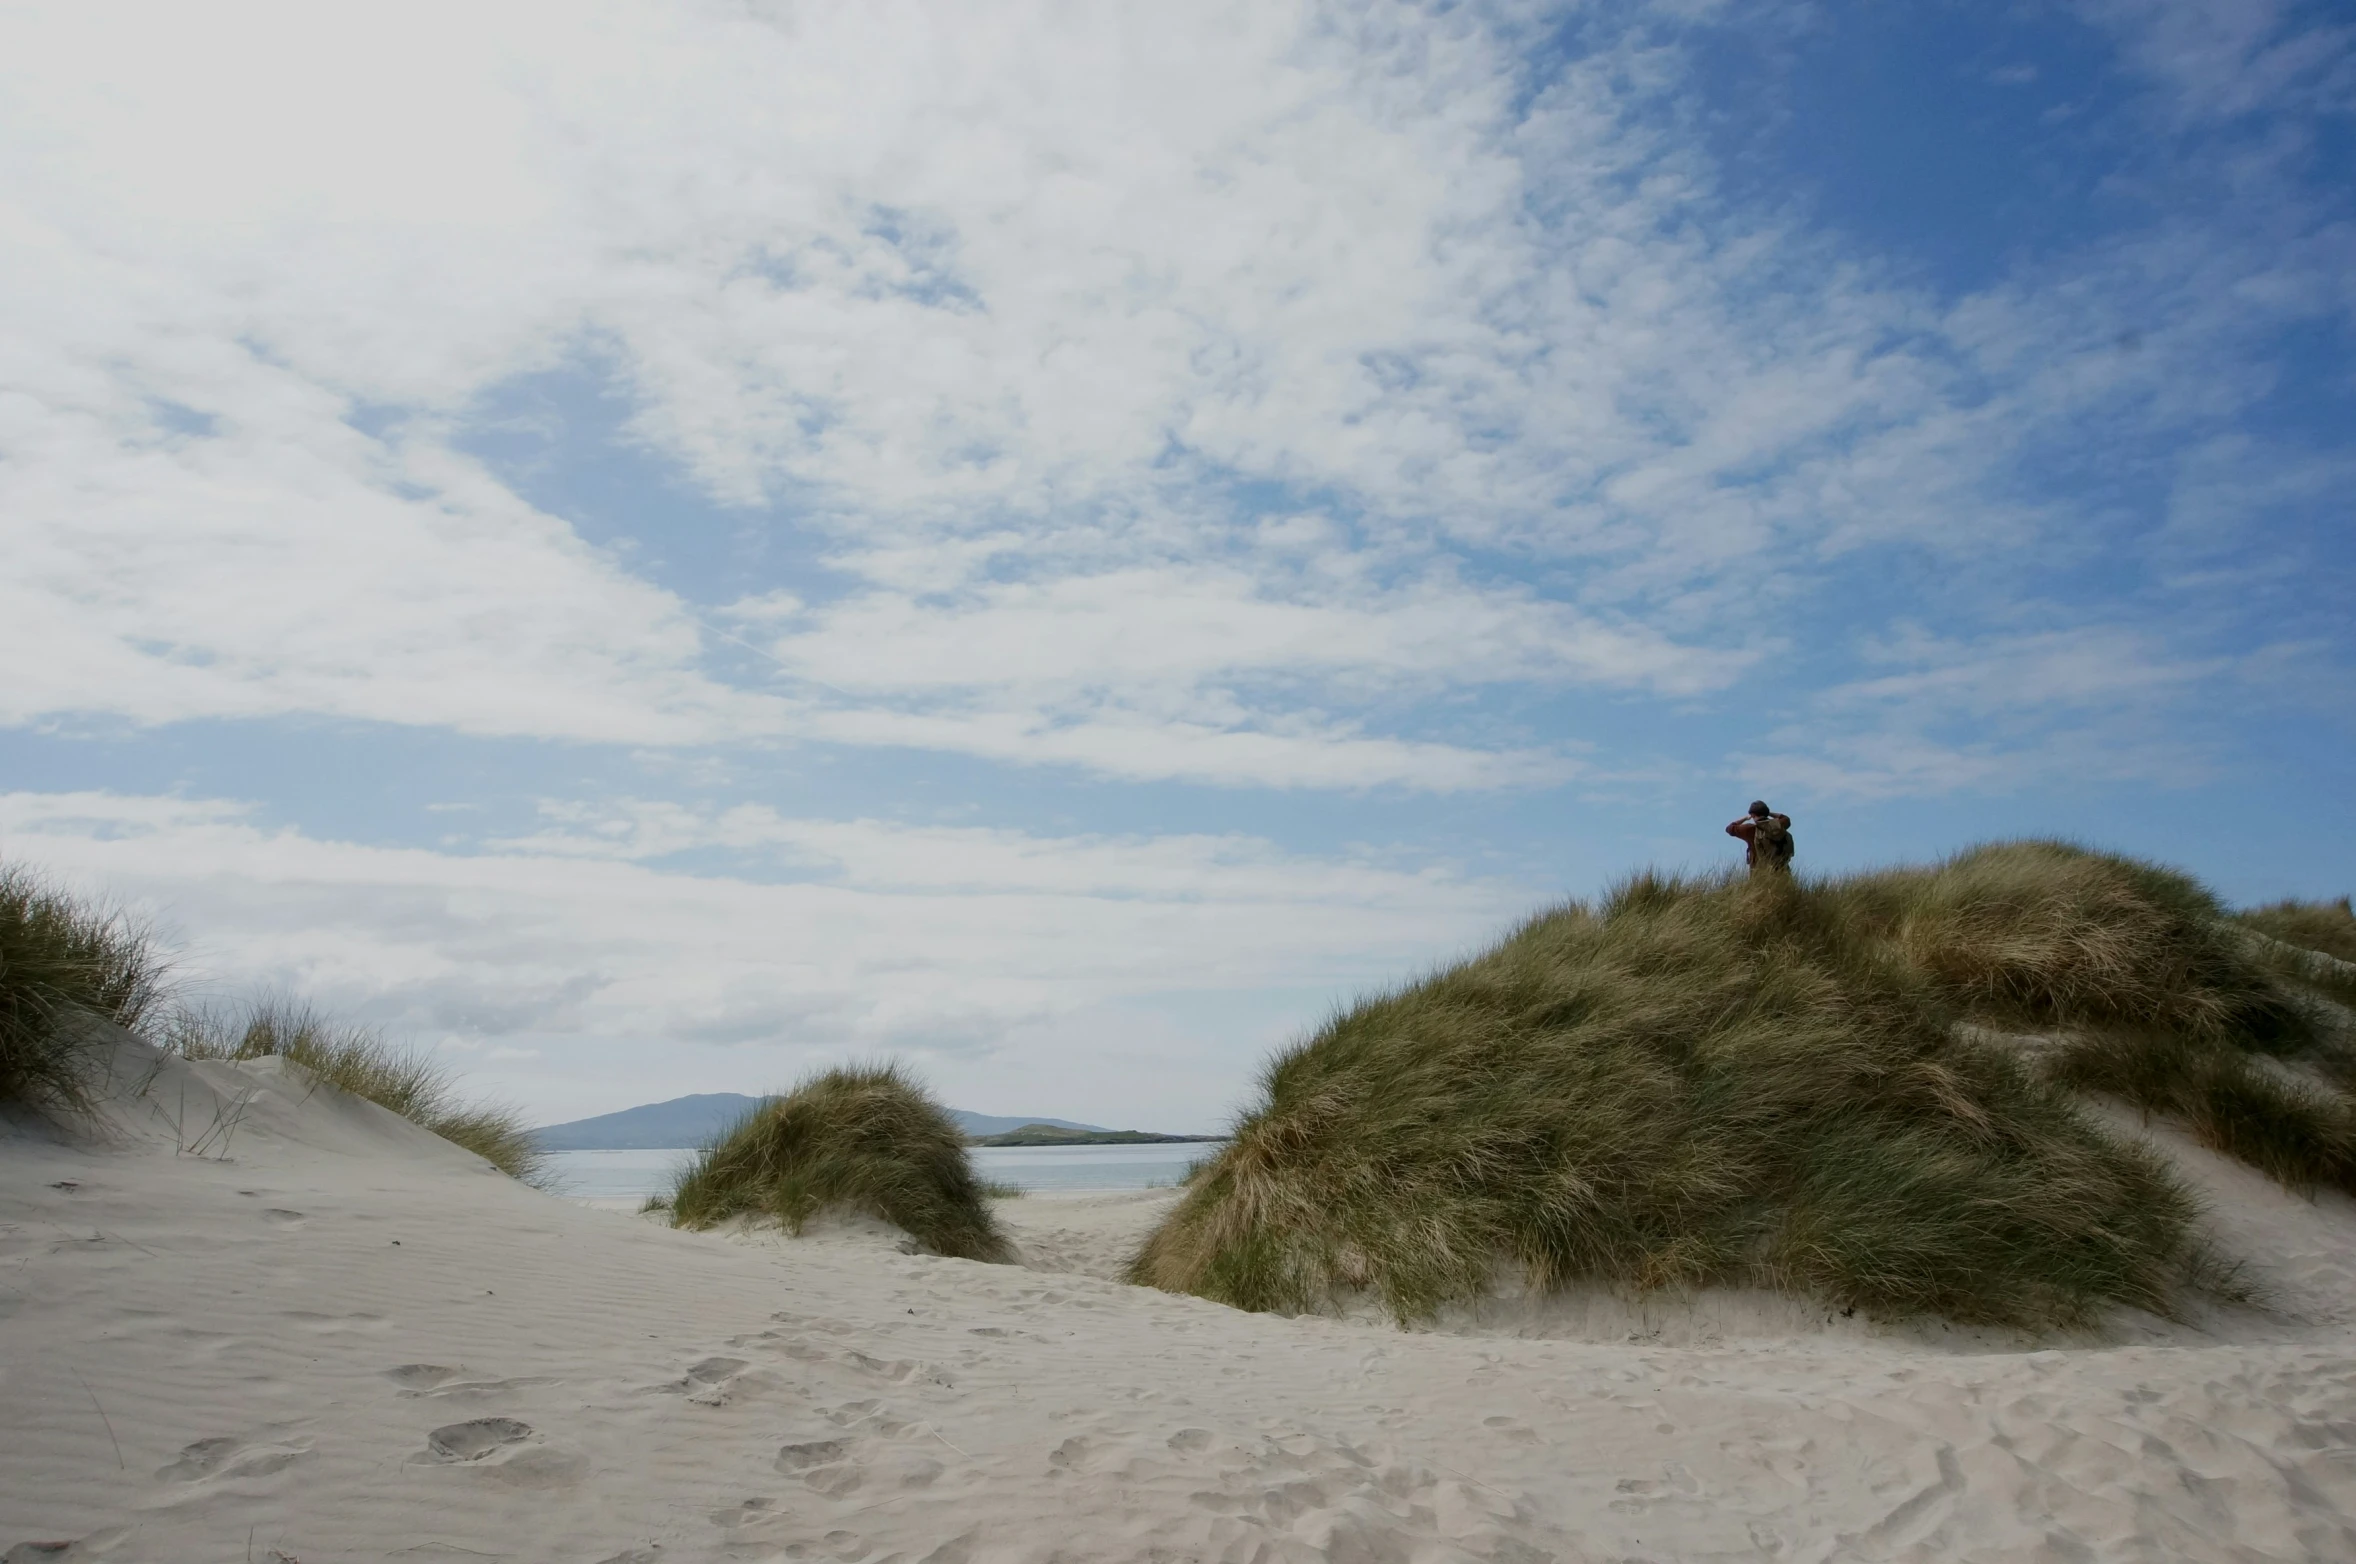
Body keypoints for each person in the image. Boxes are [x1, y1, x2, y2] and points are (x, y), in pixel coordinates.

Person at [1726, 800, 1794, 874]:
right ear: (1766, 813)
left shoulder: (1750, 830)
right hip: (1783, 871)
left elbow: (1729, 828)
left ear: (1753, 815)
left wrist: (1745, 818)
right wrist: (1769, 813)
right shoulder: (1780, 825)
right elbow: (1785, 818)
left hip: (1760, 874)